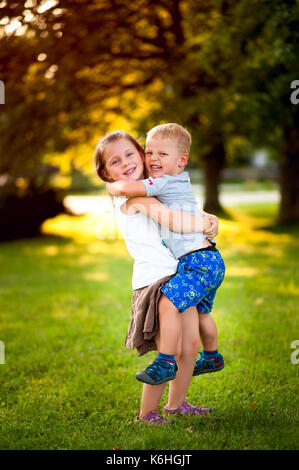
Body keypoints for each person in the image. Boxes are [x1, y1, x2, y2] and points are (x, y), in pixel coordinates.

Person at [95, 130, 218, 423]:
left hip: (178, 275)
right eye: (115, 161)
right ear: (106, 173)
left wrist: (208, 217)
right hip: (156, 281)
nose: (125, 162)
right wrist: (204, 222)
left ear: (142, 154)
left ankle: (177, 405)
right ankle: (147, 412)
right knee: (171, 349)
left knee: (189, 347)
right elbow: (173, 219)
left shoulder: (150, 189)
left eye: (130, 154)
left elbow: (178, 206)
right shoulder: (134, 198)